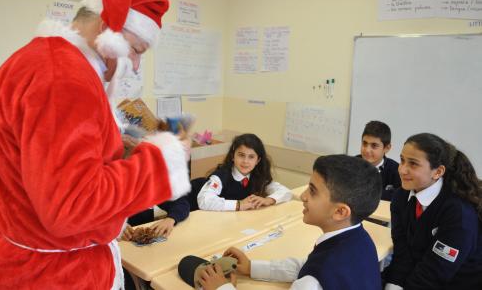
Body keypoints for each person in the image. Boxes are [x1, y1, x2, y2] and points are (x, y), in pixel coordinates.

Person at [0, 0, 191, 289]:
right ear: (109, 29)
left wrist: (119, 151)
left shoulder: (36, 60)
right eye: (137, 50)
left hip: (24, 260)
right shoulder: (65, 80)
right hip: (58, 275)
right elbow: (72, 206)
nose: (135, 65)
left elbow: (44, 169)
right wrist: (160, 161)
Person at [197, 154, 382, 289]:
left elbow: (312, 274)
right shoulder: (360, 239)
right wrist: (252, 267)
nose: (302, 196)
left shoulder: (312, 282)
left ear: (340, 211)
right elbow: (306, 266)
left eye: (312, 191)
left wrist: (222, 288)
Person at [382, 133, 482, 289]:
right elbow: (402, 252)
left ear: (438, 172)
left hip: (455, 282)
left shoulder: (458, 213)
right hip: (419, 273)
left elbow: (436, 271)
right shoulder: (400, 197)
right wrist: (394, 283)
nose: (402, 170)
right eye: (402, 160)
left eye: (413, 164)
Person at [197, 133, 291, 211]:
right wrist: (239, 204)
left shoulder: (258, 176)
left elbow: (286, 192)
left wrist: (269, 200)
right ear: (233, 156)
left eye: (251, 157)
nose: (245, 161)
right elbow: (204, 200)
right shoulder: (220, 177)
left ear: (257, 160)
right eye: (241, 155)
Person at [357, 120, 401, 201]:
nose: (367, 150)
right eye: (364, 143)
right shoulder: (350, 165)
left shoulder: (397, 170)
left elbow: (400, 195)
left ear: (387, 148)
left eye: (374, 146)